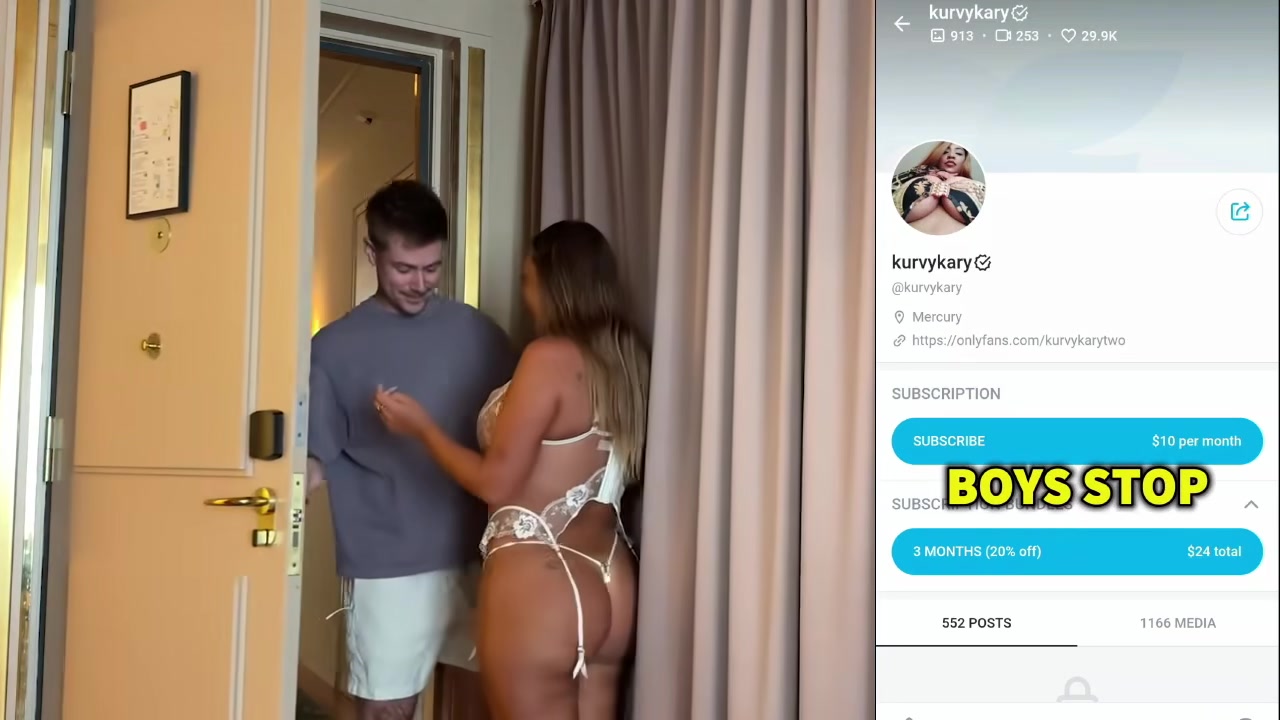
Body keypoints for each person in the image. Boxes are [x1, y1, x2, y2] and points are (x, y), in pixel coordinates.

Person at [373, 220, 649, 720]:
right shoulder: (627, 359)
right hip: (613, 578)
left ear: (553, 283)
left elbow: (496, 483)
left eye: (528, 280)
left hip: (541, 576)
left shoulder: (548, 358)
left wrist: (423, 430)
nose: (526, 294)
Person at [306, 179, 516, 720]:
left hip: (483, 554)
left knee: (483, 704)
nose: (420, 283)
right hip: (388, 568)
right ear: (371, 253)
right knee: (388, 710)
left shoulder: (481, 335)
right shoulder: (331, 349)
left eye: (432, 268)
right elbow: (314, 459)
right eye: (404, 268)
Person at [891, 141, 986, 235]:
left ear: (964, 160)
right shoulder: (913, 175)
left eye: (958, 153)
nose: (951, 155)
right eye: (945, 152)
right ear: (938, 156)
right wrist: (928, 173)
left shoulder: (976, 185)